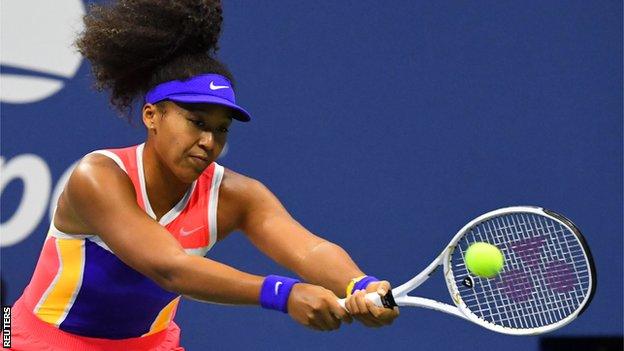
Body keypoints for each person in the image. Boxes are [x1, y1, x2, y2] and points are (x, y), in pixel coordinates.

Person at [8, 1, 399, 350]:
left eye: (221, 128)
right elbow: (169, 268)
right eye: (196, 122)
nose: (208, 141)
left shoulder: (237, 196)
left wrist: (358, 284)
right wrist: (283, 293)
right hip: (40, 339)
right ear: (152, 116)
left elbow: (309, 249)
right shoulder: (98, 176)